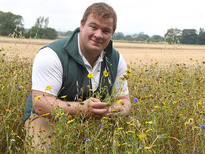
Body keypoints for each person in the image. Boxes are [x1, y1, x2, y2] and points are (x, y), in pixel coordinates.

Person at [23, 2, 131, 152]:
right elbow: (40, 103)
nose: (98, 35)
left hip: (96, 119)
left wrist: (117, 110)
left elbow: (124, 100)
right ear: (82, 25)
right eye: (93, 27)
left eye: (106, 30)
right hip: (48, 117)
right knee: (43, 149)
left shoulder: (116, 59)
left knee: (137, 132)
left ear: (112, 34)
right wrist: (81, 109)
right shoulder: (52, 54)